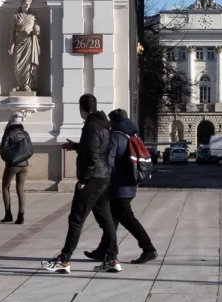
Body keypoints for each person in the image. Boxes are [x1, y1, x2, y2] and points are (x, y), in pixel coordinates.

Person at [41, 94, 120, 275]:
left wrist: (84, 180)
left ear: (81, 109)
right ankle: (113, 260)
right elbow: (99, 149)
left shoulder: (91, 126)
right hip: (103, 178)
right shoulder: (103, 124)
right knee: (107, 222)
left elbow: (93, 155)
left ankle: (64, 260)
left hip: (91, 180)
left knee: (76, 220)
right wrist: (76, 146)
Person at [84, 108, 157, 265]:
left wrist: (102, 177)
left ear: (114, 121)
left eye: (110, 121)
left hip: (118, 185)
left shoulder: (115, 136)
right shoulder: (132, 135)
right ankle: (103, 250)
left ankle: (148, 249)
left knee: (126, 218)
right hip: (129, 184)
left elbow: (109, 160)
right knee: (113, 219)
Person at [0, 112, 33, 224]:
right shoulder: (26, 134)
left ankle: (8, 214)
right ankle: (21, 215)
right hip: (24, 165)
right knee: (20, 189)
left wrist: (8, 160)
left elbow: (3, 149)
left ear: (10, 122)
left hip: (12, 165)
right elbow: (30, 149)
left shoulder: (8, 133)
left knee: (5, 187)